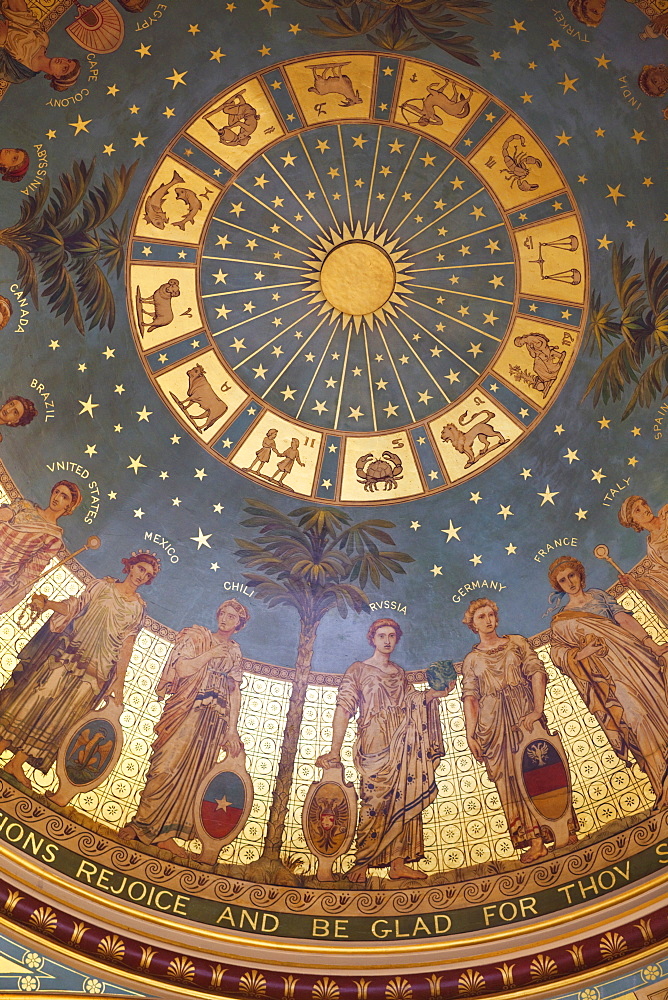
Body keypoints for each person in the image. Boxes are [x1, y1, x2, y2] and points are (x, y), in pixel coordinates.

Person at [0, 550, 160, 792]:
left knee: (59, 716)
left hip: (97, 671)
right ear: (130, 566)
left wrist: (118, 684)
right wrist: (48, 604)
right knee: (34, 698)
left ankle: (16, 763)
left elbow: (126, 647)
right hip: (70, 652)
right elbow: (74, 607)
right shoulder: (102, 586)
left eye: (147, 575)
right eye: (140, 569)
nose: (141, 576)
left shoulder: (138, 609)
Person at [315, 618, 452, 882]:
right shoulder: (357, 670)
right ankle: (362, 863)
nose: (387, 640)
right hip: (374, 741)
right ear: (372, 639)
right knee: (374, 802)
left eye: (392, 636)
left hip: (403, 741)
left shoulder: (399, 674)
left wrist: (435, 695)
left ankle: (398, 863)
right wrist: (335, 750)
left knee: (404, 795)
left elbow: (412, 700)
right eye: (381, 636)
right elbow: (344, 708)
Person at [119, 598, 249, 858]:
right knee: (166, 765)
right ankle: (141, 823)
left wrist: (232, 729)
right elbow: (182, 668)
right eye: (223, 613)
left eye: (232, 617)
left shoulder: (235, 651)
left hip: (214, 719)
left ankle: (167, 835)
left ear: (239, 624)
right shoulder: (197, 637)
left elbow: (234, 691)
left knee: (194, 773)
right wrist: (210, 654)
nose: (225, 619)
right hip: (186, 709)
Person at [461, 599, 578, 863]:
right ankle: (535, 841)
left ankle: (563, 827)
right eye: (481, 617)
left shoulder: (516, 643)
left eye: (491, 614)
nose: (488, 620)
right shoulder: (471, 660)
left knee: (543, 768)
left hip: (524, 715)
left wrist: (537, 709)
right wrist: (470, 734)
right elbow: (470, 698)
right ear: (472, 623)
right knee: (510, 780)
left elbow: (537, 673)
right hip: (493, 726)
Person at [547, 555, 668, 808]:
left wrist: (652, 645)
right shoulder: (561, 621)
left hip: (635, 658)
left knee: (662, 706)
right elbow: (559, 655)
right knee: (636, 716)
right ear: (558, 586)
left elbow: (624, 619)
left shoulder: (600, 596)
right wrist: (584, 653)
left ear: (580, 574)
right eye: (562, 580)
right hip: (608, 677)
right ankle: (663, 782)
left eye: (572, 575)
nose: (569, 582)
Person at [0, 479, 81, 615]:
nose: (57, 497)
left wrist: (9, 600)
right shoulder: (25, 506)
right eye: (57, 492)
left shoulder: (54, 537)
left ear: (69, 506)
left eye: (64, 497)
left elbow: (29, 574)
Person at [0, 0, 80, 89]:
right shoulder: (42, 40)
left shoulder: (20, 74)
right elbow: (21, 15)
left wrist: (2, 42)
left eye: (64, 68)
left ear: (57, 75)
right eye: (68, 60)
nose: (63, 61)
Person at [618, 496, 668, 622]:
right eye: (638, 510)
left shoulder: (666, 514)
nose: (645, 509)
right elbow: (661, 578)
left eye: (644, 504)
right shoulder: (652, 547)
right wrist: (634, 582)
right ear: (634, 521)